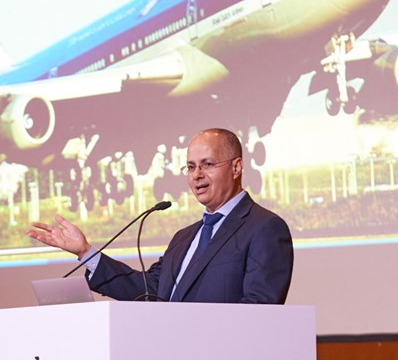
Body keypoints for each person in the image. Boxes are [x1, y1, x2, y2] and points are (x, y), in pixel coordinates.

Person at [26, 128, 293, 304]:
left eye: (208, 164)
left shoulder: (264, 228)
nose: (197, 175)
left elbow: (261, 310)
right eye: (190, 167)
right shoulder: (184, 237)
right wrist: (86, 253)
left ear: (236, 167)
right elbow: (147, 290)